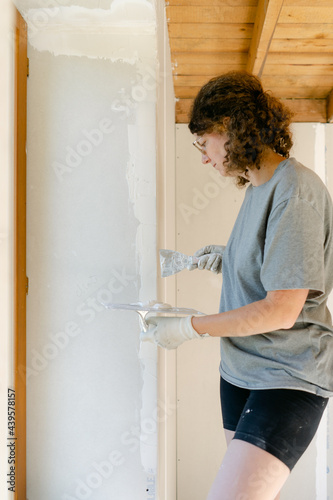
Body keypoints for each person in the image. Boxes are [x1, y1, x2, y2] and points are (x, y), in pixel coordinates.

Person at [140, 71, 333, 499]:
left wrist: (190, 326)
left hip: (286, 375)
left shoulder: (295, 191)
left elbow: (282, 310)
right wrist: (223, 258)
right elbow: (275, 265)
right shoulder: (259, 189)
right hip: (241, 370)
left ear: (230, 128)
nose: (204, 158)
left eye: (203, 142)